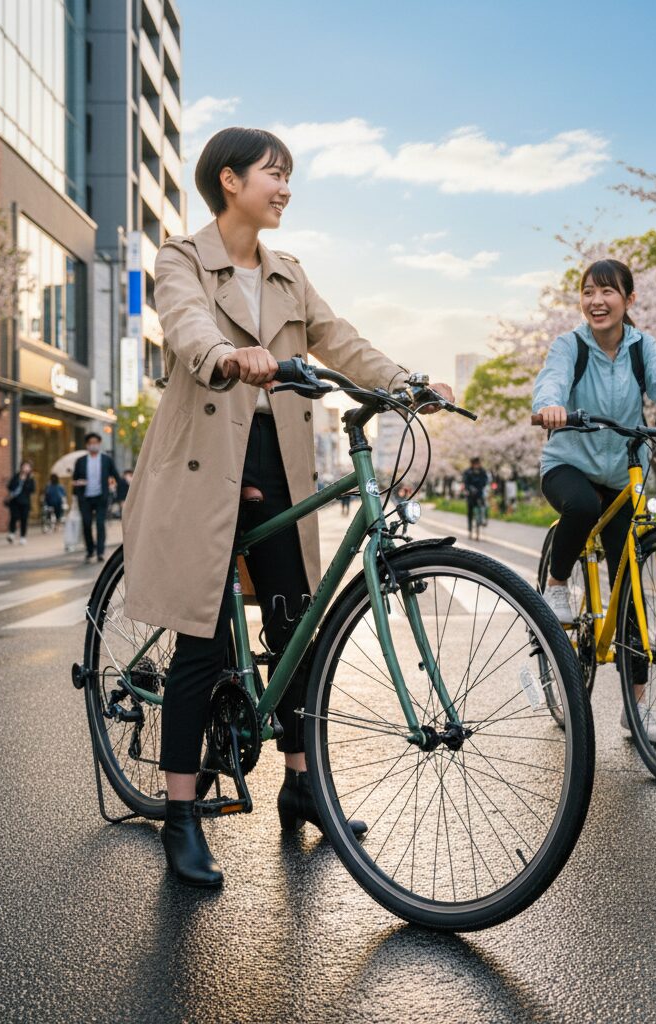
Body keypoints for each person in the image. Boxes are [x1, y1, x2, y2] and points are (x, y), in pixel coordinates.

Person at [121, 126, 454, 888]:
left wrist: (405, 382)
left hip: (279, 461)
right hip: (209, 461)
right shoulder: (181, 258)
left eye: (288, 175)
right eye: (274, 174)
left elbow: (341, 339)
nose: (286, 188)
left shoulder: (287, 273)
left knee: (295, 625)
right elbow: (186, 324)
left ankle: (301, 787)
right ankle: (180, 814)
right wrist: (225, 356)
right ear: (230, 180)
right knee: (202, 641)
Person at [533, 258, 656, 739]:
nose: (596, 301)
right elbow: (552, 379)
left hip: (623, 471)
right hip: (569, 464)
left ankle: (636, 706)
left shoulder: (643, 349)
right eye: (588, 292)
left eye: (608, 292)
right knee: (582, 507)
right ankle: (557, 582)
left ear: (629, 299)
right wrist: (550, 406)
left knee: (632, 587)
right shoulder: (570, 345)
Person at [72, 433, 123, 564]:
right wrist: (78, 484)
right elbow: (74, 479)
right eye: (91, 443)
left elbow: (116, 476)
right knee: (86, 524)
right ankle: (90, 550)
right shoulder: (81, 461)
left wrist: (120, 493)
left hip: (101, 497)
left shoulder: (106, 460)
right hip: (85, 498)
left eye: (95, 442)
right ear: (87, 445)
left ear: (99, 444)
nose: (93, 445)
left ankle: (100, 552)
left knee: (100, 524)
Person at [5, 461, 35, 545]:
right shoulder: (16, 476)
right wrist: (19, 481)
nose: (26, 468)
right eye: (24, 466)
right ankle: (12, 533)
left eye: (28, 467)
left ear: (30, 469)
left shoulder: (30, 479)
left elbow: (32, 490)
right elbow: (10, 486)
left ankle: (23, 537)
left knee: (24, 519)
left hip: (25, 502)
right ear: (21, 467)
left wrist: (25, 482)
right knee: (14, 517)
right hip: (14, 501)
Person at [462, 457, 489, 531]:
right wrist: (470, 488)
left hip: (480, 493)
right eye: (475, 464)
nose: (477, 465)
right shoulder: (468, 472)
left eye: (478, 463)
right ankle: (470, 526)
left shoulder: (482, 471)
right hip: (471, 494)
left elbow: (486, 480)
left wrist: (482, 486)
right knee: (470, 509)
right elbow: (465, 482)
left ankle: (483, 520)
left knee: (484, 506)